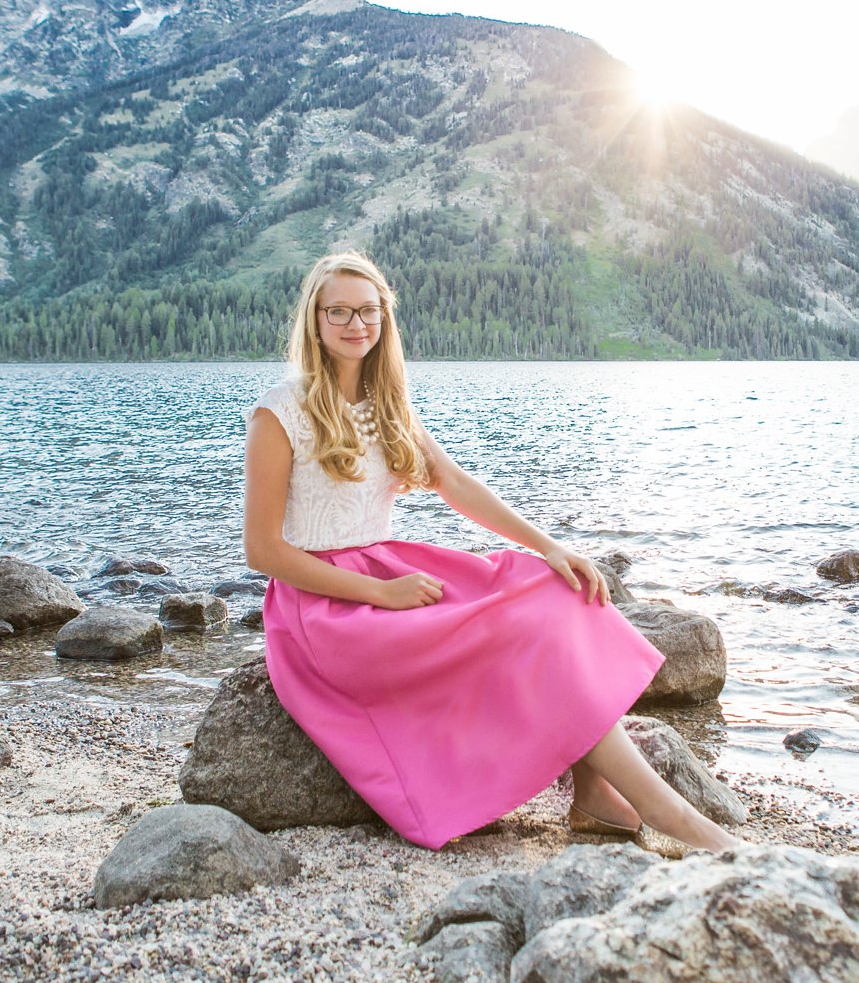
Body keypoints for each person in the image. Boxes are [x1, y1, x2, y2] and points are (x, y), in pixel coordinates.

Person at [242, 251, 740, 852]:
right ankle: (673, 816)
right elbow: (263, 551)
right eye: (340, 311)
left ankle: (595, 793)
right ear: (316, 321)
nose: (356, 324)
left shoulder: (387, 405)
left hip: (387, 570)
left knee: (553, 593)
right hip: (323, 609)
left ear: (384, 318)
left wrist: (552, 547)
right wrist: (380, 592)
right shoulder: (281, 411)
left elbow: (456, 484)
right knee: (510, 637)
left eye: (368, 310)